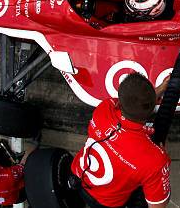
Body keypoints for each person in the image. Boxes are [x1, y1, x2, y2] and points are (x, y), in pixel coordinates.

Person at [70, 72, 171, 208]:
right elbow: (159, 205)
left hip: (76, 178)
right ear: (153, 106)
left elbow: (130, 102)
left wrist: (159, 90)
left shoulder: (104, 108)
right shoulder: (155, 160)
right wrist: (163, 163)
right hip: (108, 204)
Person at [81, 0, 167, 29]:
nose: (126, 9)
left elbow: (114, 31)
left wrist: (91, 20)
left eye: (129, 9)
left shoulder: (146, 27)